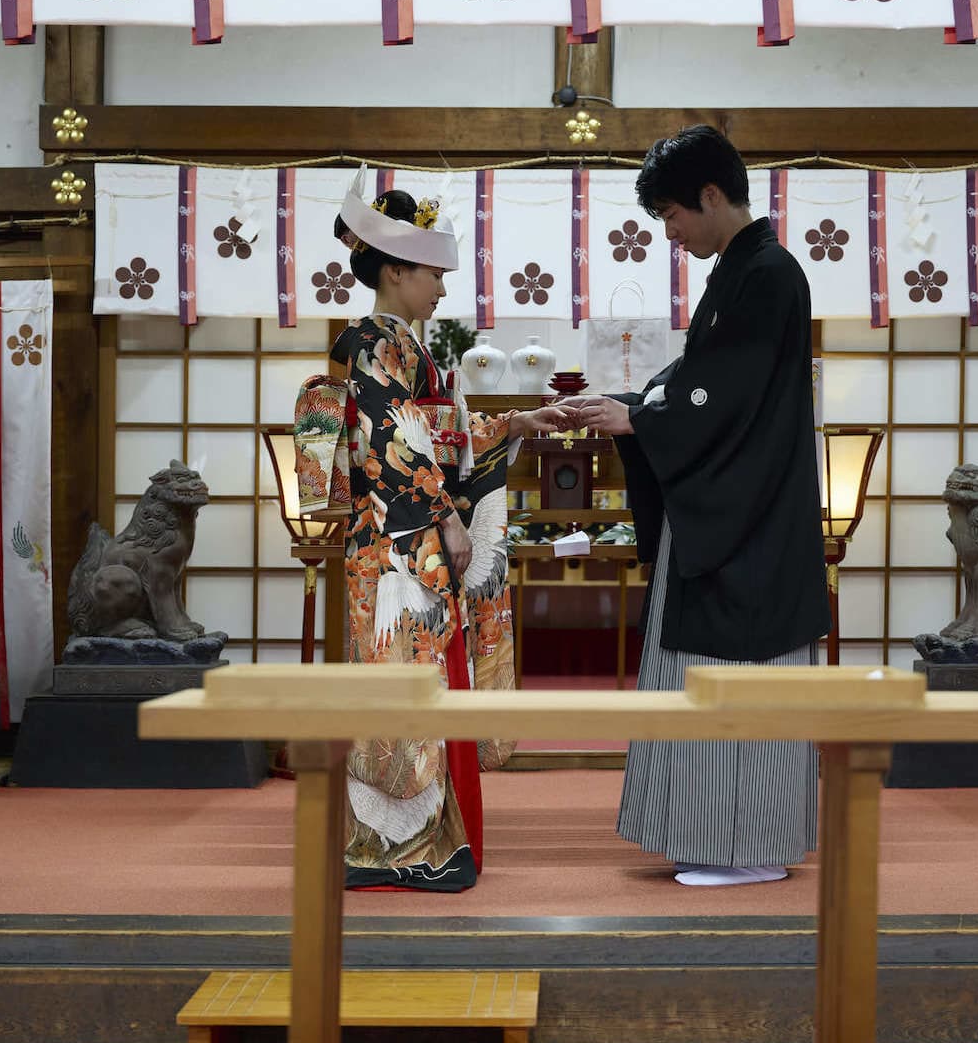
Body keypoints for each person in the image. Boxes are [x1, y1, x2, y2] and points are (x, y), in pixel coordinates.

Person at [569, 126, 829, 887]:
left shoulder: (770, 273)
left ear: (713, 196)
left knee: (734, 671)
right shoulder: (737, 274)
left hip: (750, 523)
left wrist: (643, 418)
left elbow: (726, 396)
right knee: (699, 668)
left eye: (673, 216)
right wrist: (630, 405)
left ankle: (745, 846)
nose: (671, 234)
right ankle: (715, 835)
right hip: (725, 512)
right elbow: (695, 380)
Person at [298, 173, 571, 891]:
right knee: (404, 689)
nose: (444, 291)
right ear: (395, 271)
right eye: (434, 275)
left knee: (417, 684)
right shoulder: (369, 342)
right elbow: (393, 438)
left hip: (404, 537)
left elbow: (434, 439)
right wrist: (447, 514)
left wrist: (514, 422)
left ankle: (403, 845)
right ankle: (398, 849)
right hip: (397, 541)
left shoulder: (397, 345)